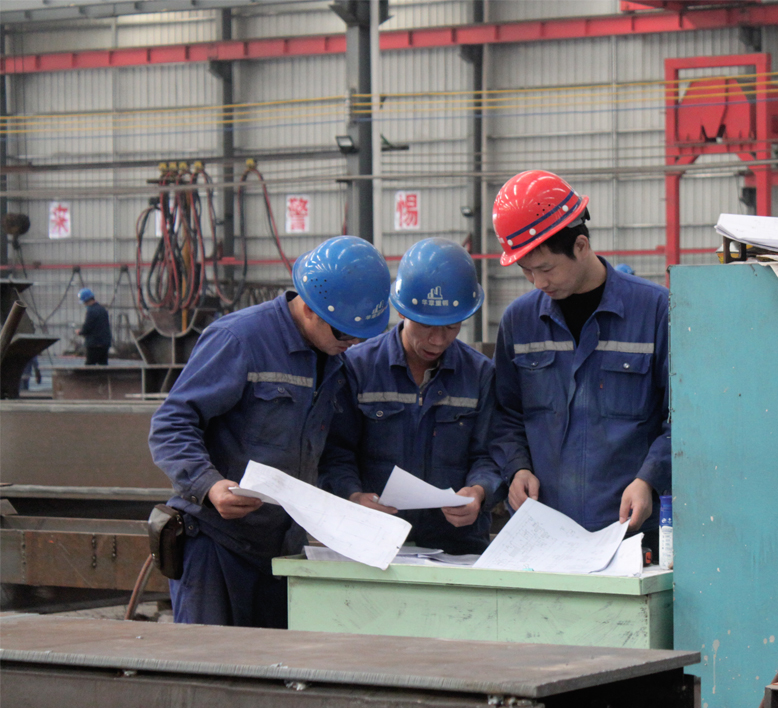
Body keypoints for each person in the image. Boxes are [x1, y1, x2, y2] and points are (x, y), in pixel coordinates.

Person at [149, 236, 391, 627]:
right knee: (209, 660)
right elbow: (171, 424)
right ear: (310, 308)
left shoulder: (334, 364)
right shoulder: (240, 340)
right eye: (344, 334)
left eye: (359, 336)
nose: (352, 344)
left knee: (273, 662)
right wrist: (209, 485)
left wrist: (350, 494)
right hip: (215, 545)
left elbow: (329, 450)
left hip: (280, 551)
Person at [491, 170, 670, 547]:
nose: (538, 282)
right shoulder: (519, 322)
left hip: (631, 532)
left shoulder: (655, 312)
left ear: (581, 246)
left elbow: (684, 418)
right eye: (526, 271)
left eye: (545, 268)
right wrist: (517, 467)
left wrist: (649, 479)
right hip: (545, 532)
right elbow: (506, 414)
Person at [319, 238, 505, 555]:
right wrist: (353, 496)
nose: (438, 340)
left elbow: (490, 454)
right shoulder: (358, 368)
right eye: (426, 325)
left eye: (451, 327)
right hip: (373, 539)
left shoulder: (479, 375)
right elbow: (336, 452)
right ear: (401, 310)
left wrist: (479, 491)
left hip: (456, 543)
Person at [75, 287, 112, 365]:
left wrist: (80, 332)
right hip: (105, 344)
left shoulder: (91, 311)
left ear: (86, 301)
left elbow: (87, 328)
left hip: (94, 344)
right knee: (103, 366)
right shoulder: (102, 309)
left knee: (89, 366)